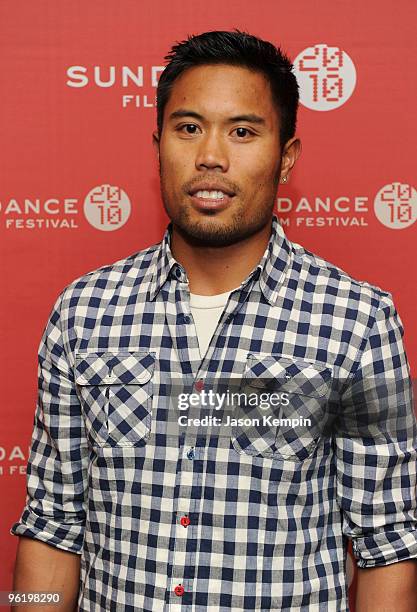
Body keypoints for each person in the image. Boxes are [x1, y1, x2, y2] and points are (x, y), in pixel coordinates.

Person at [11, 30, 417, 611]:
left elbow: (388, 548)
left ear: (287, 157)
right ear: (158, 145)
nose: (211, 156)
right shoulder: (84, 311)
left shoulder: (359, 320)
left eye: (244, 131)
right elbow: (51, 528)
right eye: (189, 127)